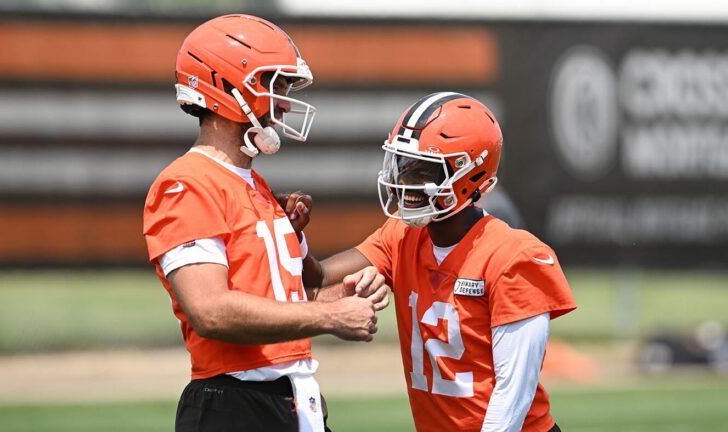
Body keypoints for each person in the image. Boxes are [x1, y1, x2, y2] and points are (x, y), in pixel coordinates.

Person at [142, 15, 388, 432]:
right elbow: (211, 311)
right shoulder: (186, 184)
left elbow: (282, 300)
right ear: (228, 86)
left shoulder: (255, 186)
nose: (285, 103)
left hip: (292, 399)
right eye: (275, 85)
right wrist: (330, 317)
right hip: (235, 403)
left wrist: (341, 297)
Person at [302, 92, 577, 431]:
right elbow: (318, 276)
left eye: (423, 170)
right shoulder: (401, 236)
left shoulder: (514, 255)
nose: (405, 182)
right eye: (403, 166)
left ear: (470, 175)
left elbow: (513, 394)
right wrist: (292, 234)